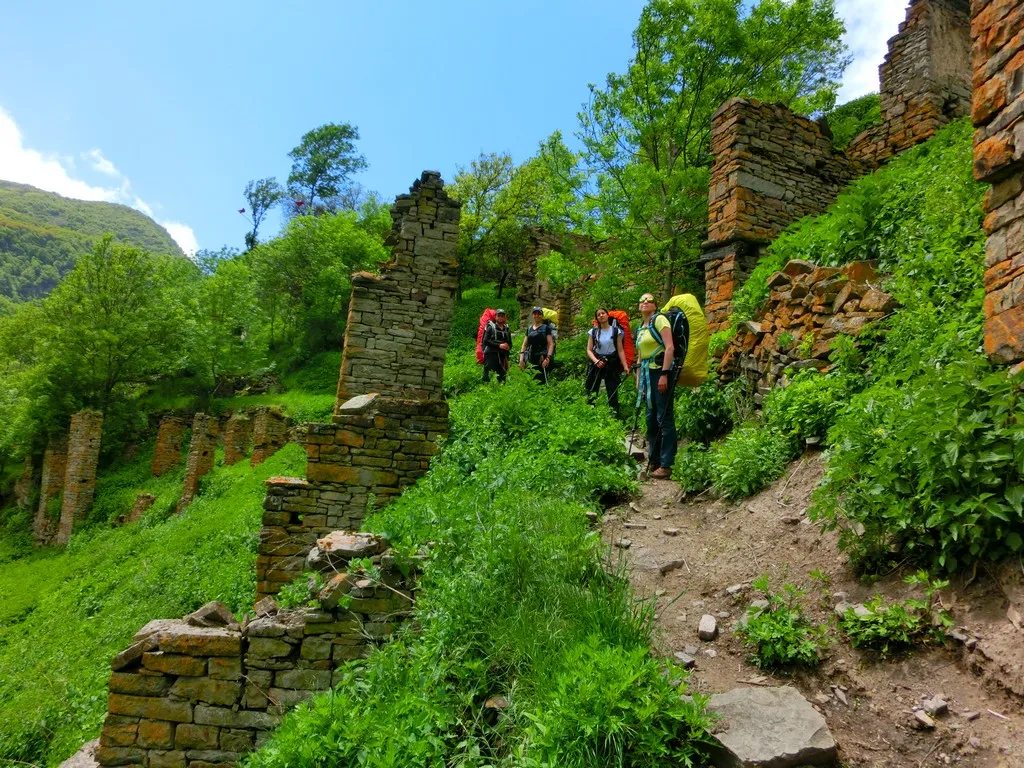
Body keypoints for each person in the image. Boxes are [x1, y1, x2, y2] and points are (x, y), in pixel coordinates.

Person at [635, 293, 676, 479]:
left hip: (660, 372)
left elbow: (670, 347)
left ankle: (667, 464)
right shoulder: (641, 328)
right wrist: (638, 382)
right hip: (646, 375)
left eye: (649, 300)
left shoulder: (660, 320)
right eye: (642, 301)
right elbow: (640, 356)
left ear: (655, 305)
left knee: (663, 417)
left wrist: (665, 374)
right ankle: (654, 459)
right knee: (650, 418)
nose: (645, 303)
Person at [586, 308, 629, 412]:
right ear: (596, 318)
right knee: (592, 388)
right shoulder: (593, 332)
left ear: (607, 315)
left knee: (612, 388)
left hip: (611, 362)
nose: (601, 315)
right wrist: (596, 361)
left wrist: (625, 366)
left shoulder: (616, 331)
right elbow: (589, 350)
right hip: (597, 361)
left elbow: (620, 350)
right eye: (598, 314)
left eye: (603, 313)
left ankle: (614, 413)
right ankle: (590, 411)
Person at [519, 306, 554, 384]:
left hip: (543, 357)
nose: (537, 315)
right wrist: (521, 358)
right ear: (533, 315)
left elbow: (551, 344)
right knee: (532, 379)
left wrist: (548, 358)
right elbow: (524, 345)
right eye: (535, 314)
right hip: (531, 357)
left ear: (542, 316)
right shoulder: (529, 329)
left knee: (542, 380)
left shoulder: (546, 328)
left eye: (539, 314)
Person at [481, 309, 512, 383]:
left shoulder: (507, 329)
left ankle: (500, 391)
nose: (500, 318)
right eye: (499, 316)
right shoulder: (491, 327)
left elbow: (510, 343)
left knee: (502, 377)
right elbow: (485, 341)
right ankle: (486, 391)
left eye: (502, 316)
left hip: (503, 356)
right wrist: (499, 345)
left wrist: (508, 347)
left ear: (505, 317)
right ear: (495, 317)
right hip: (491, 355)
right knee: (487, 376)